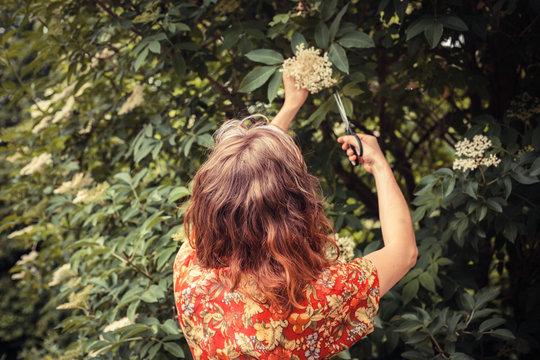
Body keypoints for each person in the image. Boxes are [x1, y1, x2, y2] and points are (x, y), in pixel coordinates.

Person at [173, 74, 417, 359]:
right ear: (292, 213)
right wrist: (379, 165)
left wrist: (291, 105)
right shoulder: (308, 302)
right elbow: (404, 252)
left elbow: (243, 180)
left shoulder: (190, 267)